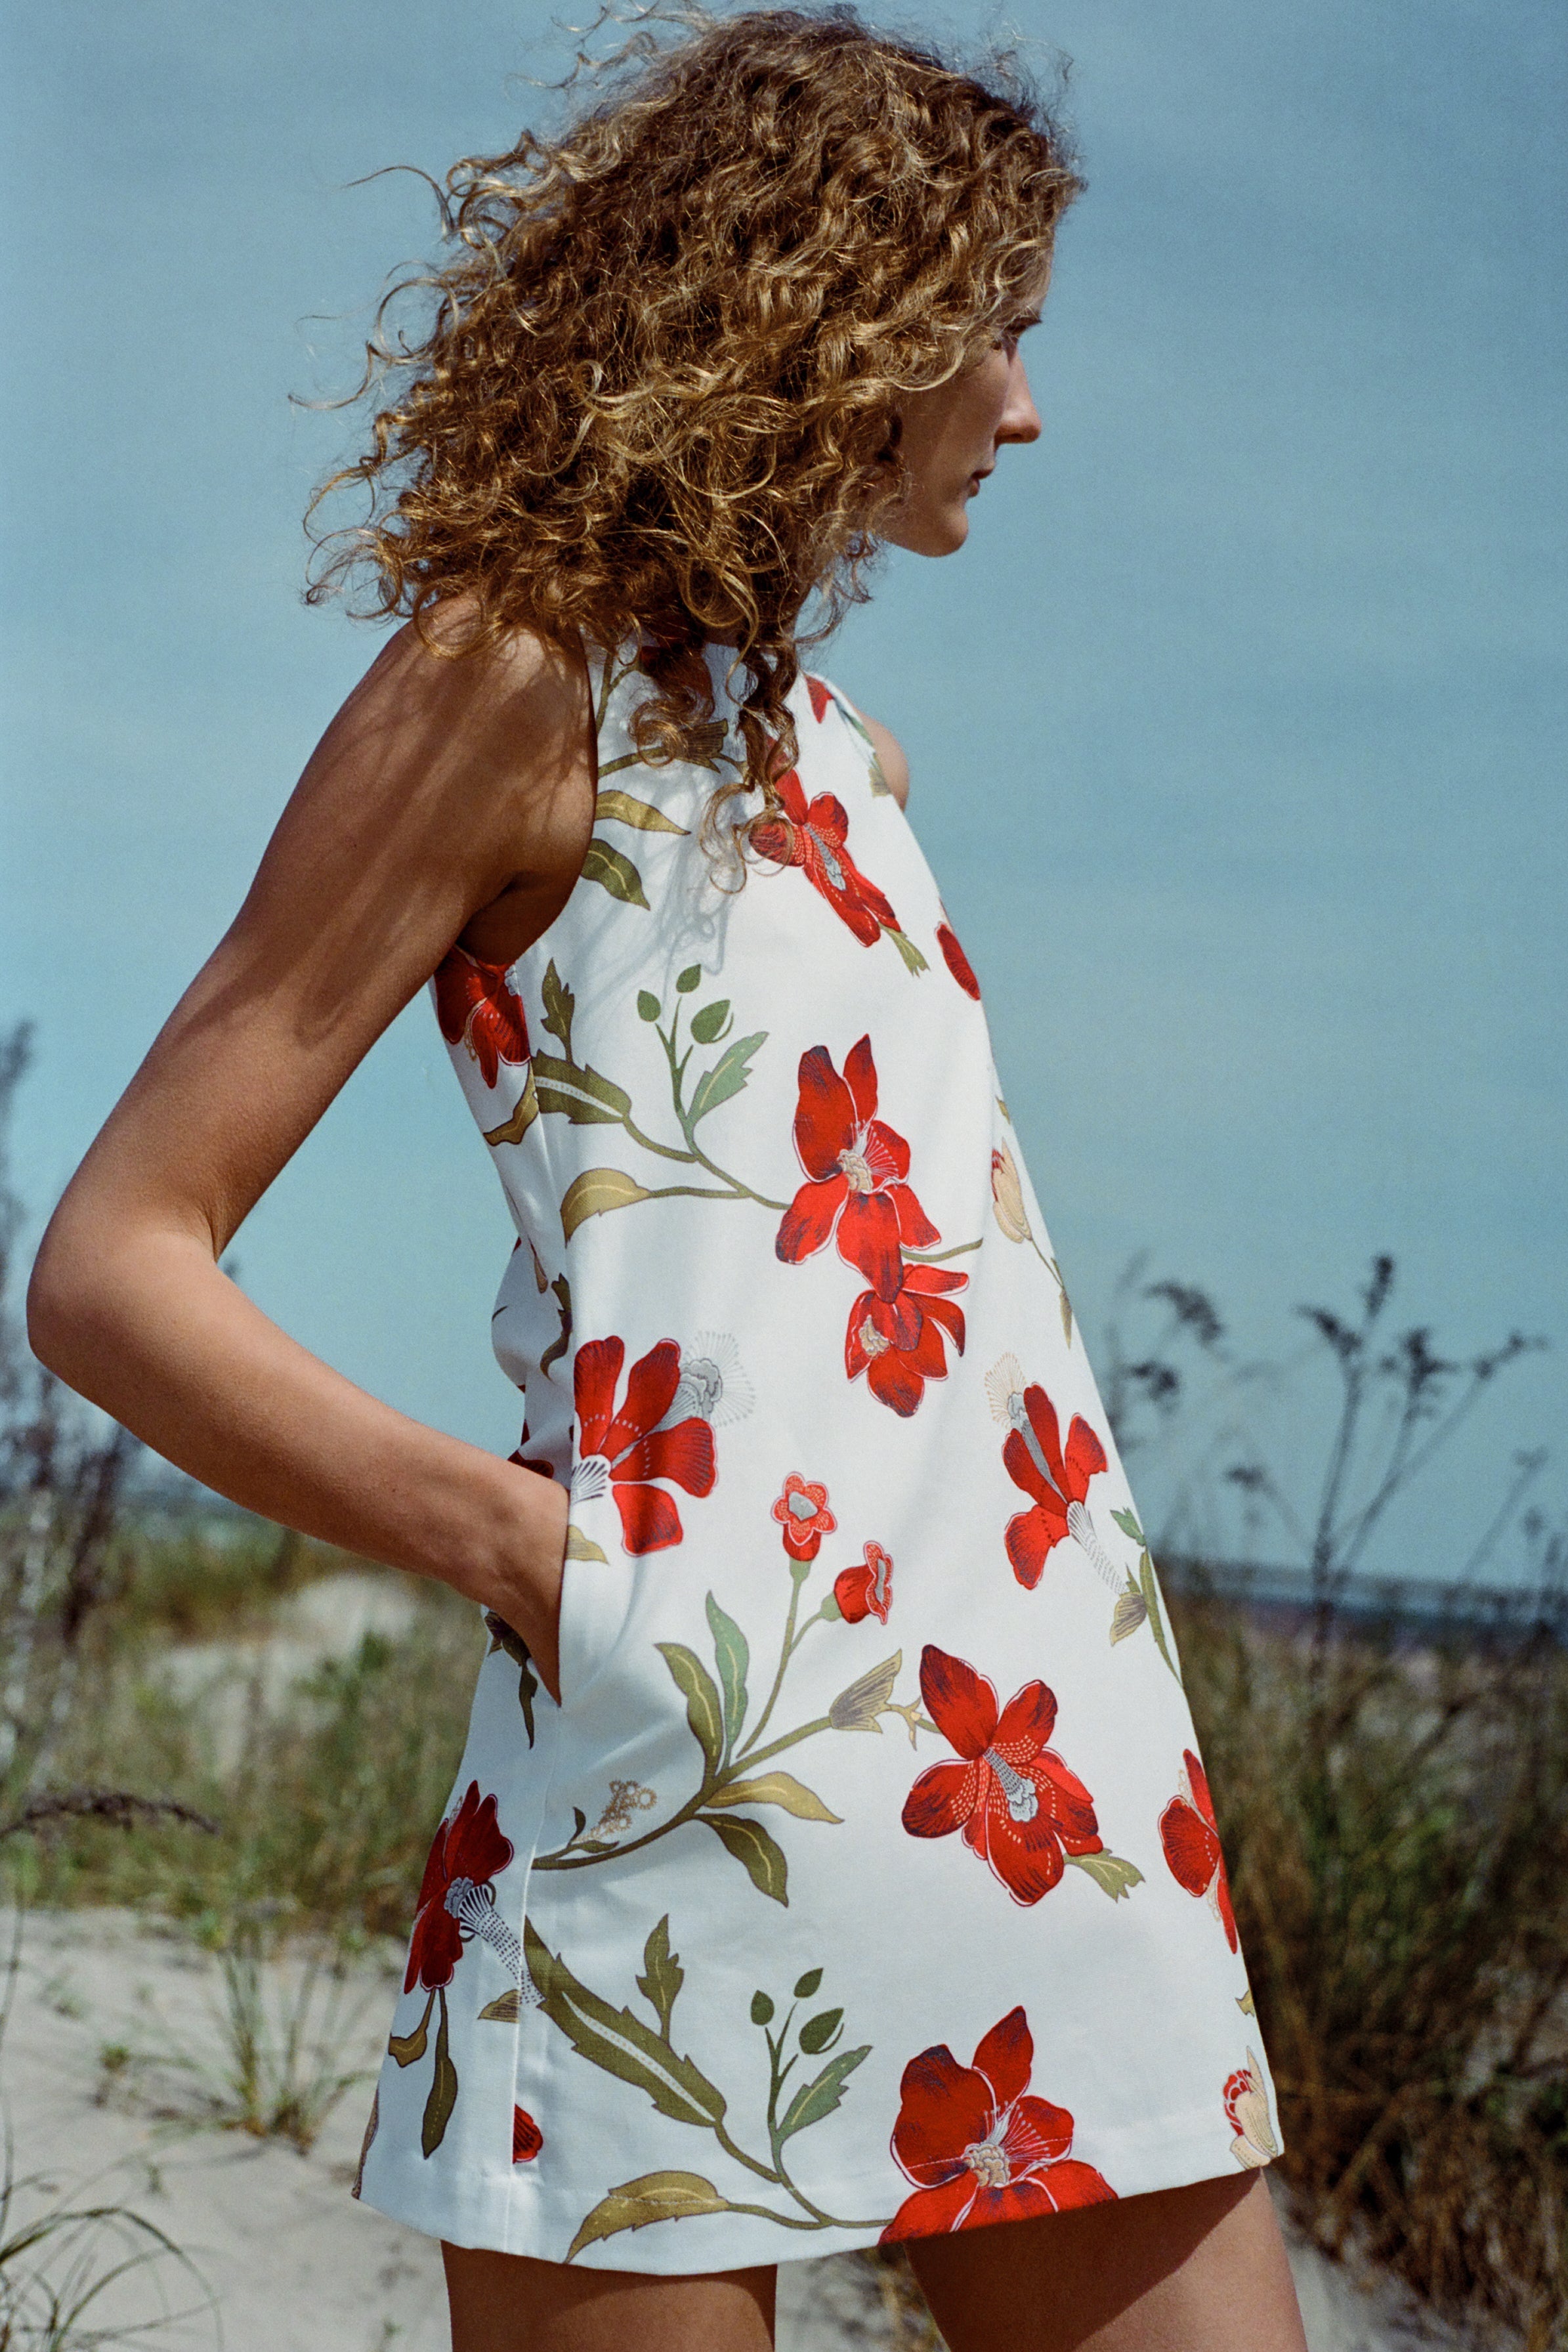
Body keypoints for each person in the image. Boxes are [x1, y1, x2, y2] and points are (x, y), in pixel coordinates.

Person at [28, 11, 1307, 2349]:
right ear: (836, 311)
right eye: (995, 330)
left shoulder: (853, 765)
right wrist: (523, 1548)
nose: (1024, 407)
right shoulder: (511, 687)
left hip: (1040, 1772)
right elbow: (116, 1267)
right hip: (666, 1782)